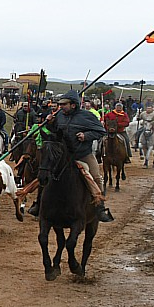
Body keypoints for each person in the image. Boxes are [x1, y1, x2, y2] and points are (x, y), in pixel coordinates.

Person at [31, 91, 113, 222]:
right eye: (60, 104)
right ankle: (39, 204)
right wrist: (50, 123)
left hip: (82, 154)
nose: (61, 107)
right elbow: (55, 133)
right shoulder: (59, 116)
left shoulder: (88, 116)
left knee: (96, 177)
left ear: (73, 105)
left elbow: (101, 131)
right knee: (45, 172)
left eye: (64, 104)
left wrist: (86, 136)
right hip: (62, 155)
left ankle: (100, 207)